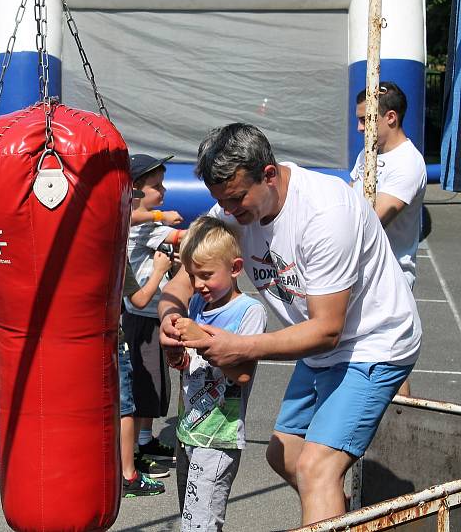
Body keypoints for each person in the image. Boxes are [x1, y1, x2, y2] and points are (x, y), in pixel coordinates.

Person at [158, 123, 421, 526]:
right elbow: (184, 273)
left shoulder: (325, 213)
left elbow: (327, 329)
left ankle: (333, 512)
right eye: (221, 202)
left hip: (372, 344)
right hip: (321, 351)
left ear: (268, 174)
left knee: (318, 468)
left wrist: (240, 347)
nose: (229, 212)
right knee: (284, 455)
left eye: (236, 199)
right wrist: (169, 320)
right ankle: (343, 518)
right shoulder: (234, 208)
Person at [167, 215, 266, 531]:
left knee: (200, 525)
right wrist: (178, 355)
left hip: (218, 437)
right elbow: (194, 364)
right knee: (191, 519)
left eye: (206, 275)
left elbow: (242, 374)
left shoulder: (249, 312)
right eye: (193, 276)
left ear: (235, 268)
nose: (198, 285)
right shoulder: (197, 302)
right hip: (188, 431)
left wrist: (201, 339)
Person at [350, 82, 426, 396]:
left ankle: (397, 435)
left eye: (366, 120)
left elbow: (373, 218)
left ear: (390, 117)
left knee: (387, 364)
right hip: (361, 273)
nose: (359, 128)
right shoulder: (368, 153)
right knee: (361, 358)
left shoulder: (408, 163)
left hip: (390, 279)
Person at [123, 153, 187, 477]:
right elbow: (180, 238)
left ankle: (146, 442)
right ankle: (133, 452)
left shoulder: (149, 221)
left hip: (151, 314)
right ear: (134, 189)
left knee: (155, 385)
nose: (162, 191)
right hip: (141, 316)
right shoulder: (141, 224)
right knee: (143, 389)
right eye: (155, 186)